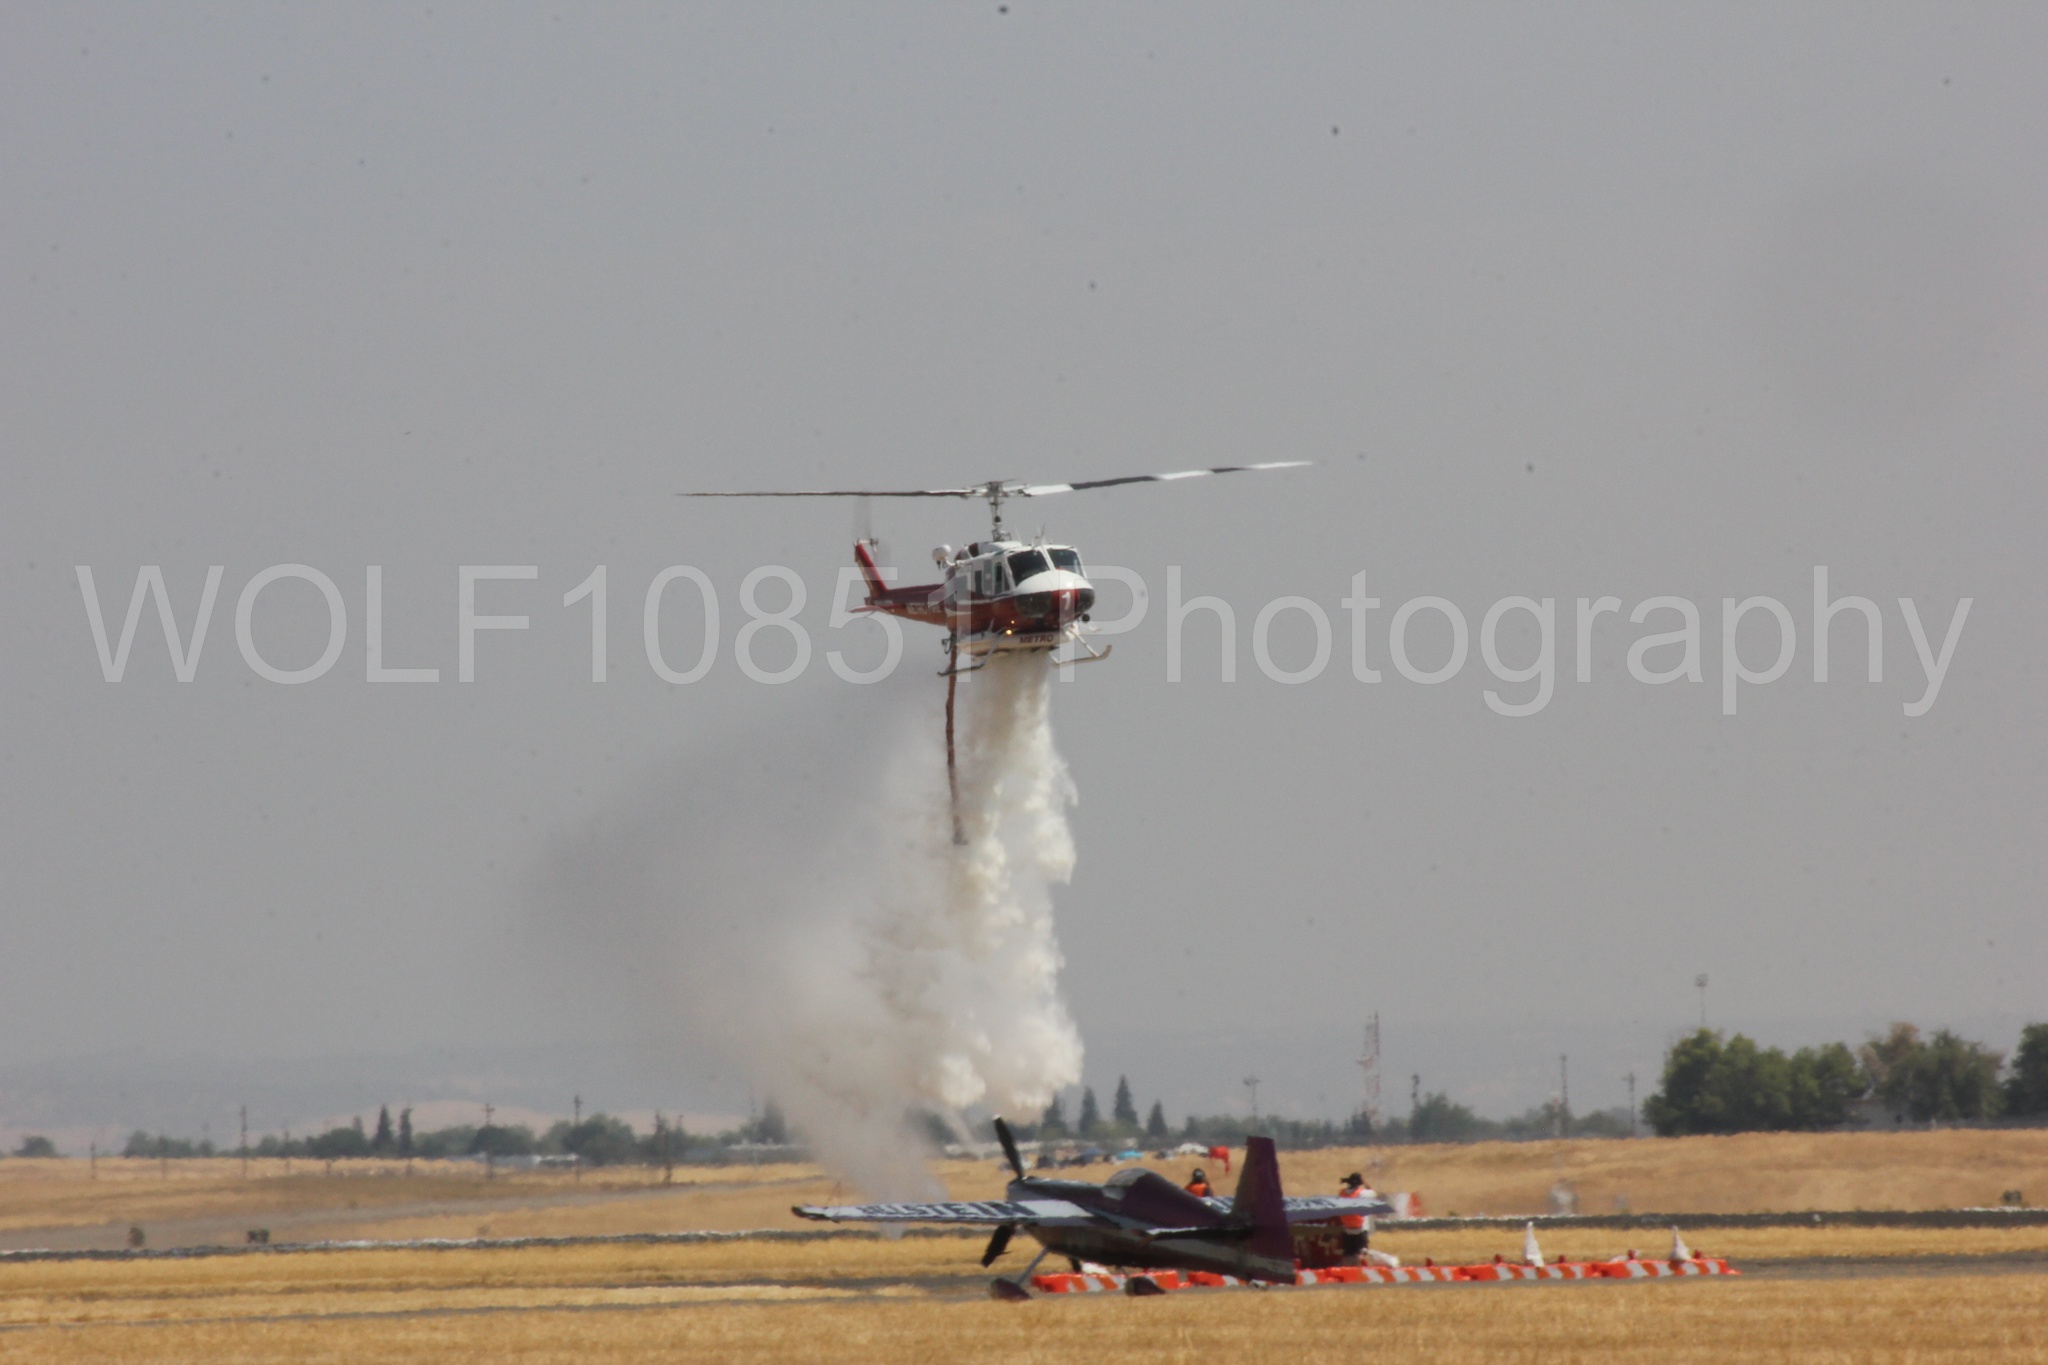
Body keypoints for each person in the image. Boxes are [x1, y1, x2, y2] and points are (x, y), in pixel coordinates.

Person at [1339, 1171, 1378, 1262]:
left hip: (1347, 1228)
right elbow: (1373, 1193)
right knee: (1361, 1253)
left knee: (1347, 1253)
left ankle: (1346, 1272)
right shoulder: (1362, 1193)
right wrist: (1365, 1182)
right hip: (1360, 1229)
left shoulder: (1342, 1193)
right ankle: (1358, 1271)